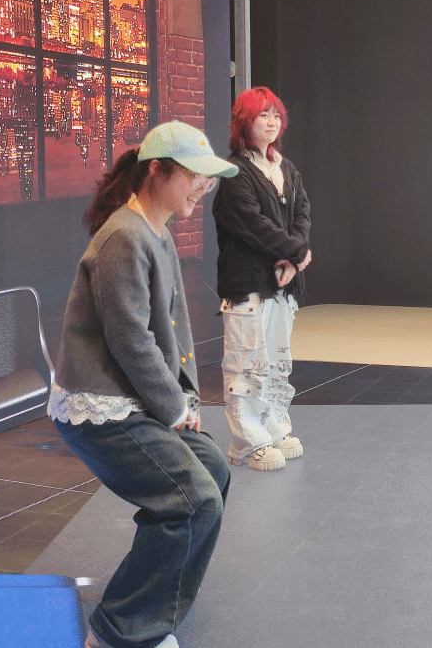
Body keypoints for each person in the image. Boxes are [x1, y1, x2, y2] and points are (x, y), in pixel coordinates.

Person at [49, 120, 238, 648]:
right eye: (194, 176)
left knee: (213, 471)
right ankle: (118, 633)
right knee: (191, 501)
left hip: (133, 396)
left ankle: (156, 613)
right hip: (101, 406)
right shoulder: (124, 236)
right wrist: (174, 409)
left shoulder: (156, 232)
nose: (203, 187)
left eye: (207, 178)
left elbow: (169, 330)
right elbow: (131, 339)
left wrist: (183, 402)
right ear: (157, 171)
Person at [212, 87, 312, 472]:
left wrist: (295, 259)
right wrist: (297, 253)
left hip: (282, 285)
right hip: (248, 283)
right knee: (246, 365)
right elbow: (253, 225)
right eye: (262, 115)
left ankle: (274, 429)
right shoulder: (235, 172)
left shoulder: (286, 168)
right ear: (244, 122)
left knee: (276, 364)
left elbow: (302, 213)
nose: (271, 122)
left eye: (275, 115)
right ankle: (247, 442)